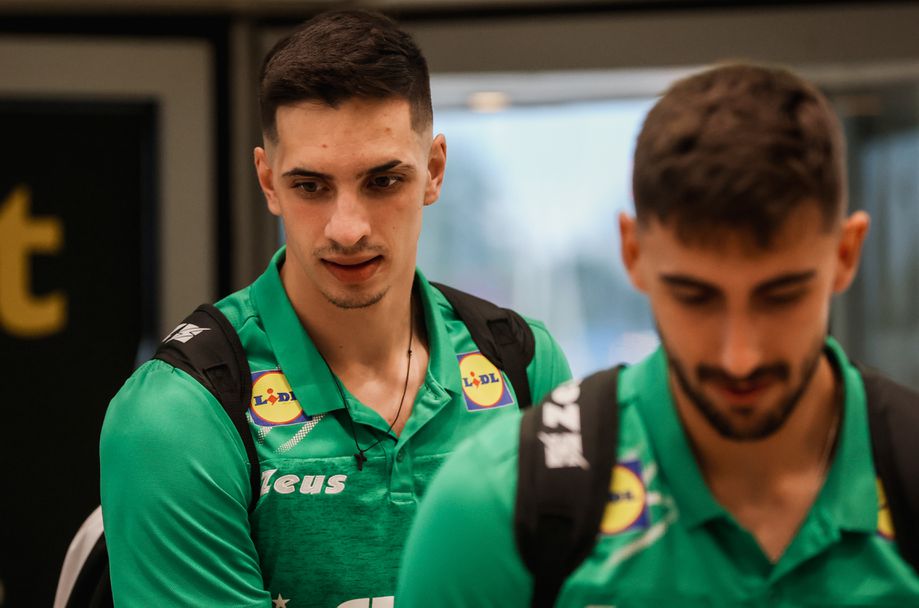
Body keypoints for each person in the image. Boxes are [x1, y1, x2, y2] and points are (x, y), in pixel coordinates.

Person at [397, 63, 919, 606]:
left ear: (846, 254)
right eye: (695, 297)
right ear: (633, 253)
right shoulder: (494, 507)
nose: (739, 356)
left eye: (780, 296)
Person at [99, 9, 571, 607]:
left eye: (383, 181)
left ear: (433, 171)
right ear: (268, 182)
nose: (347, 229)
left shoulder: (524, 364)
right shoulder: (176, 413)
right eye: (311, 186)